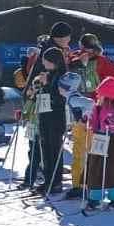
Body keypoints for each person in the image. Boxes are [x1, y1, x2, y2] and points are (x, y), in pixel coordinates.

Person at [66, 34, 114, 199]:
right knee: (95, 151)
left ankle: (78, 183)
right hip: (99, 111)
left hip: (78, 109)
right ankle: (93, 183)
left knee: (79, 149)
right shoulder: (102, 61)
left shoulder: (74, 58)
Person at [82, 77, 114, 210]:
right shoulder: (96, 108)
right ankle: (95, 197)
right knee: (96, 168)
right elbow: (92, 124)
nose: (102, 98)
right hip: (100, 140)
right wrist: (87, 120)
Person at [34, 47, 68, 195]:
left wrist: (46, 84)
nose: (43, 62)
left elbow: (59, 98)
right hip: (45, 114)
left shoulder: (62, 76)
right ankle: (48, 180)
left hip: (56, 117)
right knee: (45, 149)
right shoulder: (48, 74)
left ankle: (56, 181)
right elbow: (43, 93)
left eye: (46, 60)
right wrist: (38, 86)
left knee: (54, 149)